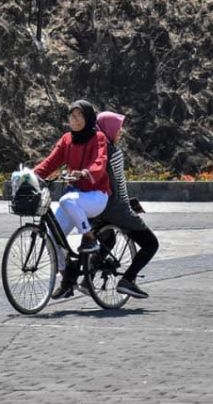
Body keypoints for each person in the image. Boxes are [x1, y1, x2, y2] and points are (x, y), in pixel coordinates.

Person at [33, 100, 111, 299]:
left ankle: (90, 238)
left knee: (67, 200)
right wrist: (30, 176)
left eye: (79, 116)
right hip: (74, 196)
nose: (74, 120)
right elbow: (51, 161)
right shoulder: (67, 139)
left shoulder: (98, 137)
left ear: (88, 118)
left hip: (95, 196)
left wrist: (84, 173)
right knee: (52, 237)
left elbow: (99, 162)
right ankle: (67, 276)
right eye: (71, 116)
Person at [94, 111, 159, 299]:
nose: (120, 133)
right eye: (118, 129)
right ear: (110, 129)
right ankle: (128, 280)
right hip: (116, 209)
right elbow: (120, 186)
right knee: (150, 244)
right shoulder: (114, 153)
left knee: (108, 240)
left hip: (96, 209)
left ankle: (87, 276)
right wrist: (129, 207)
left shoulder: (93, 149)